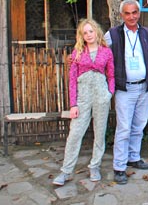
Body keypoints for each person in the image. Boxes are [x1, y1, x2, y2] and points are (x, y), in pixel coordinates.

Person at [53, 19, 115, 186]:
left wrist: (109, 93)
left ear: (97, 32)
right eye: (85, 32)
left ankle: (95, 166)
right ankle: (66, 171)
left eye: (91, 31)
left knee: (99, 132)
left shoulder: (106, 52)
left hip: (101, 95)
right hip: (83, 96)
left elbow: (111, 75)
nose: (88, 35)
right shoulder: (77, 53)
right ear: (81, 35)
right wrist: (73, 104)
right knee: (75, 134)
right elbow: (72, 80)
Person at [104, 0, 148, 185]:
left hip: (144, 87)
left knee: (139, 125)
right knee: (124, 128)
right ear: (121, 15)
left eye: (134, 12)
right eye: (127, 13)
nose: (132, 16)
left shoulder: (147, 34)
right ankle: (119, 167)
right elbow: (99, 51)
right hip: (124, 89)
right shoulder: (112, 34)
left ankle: (133, 157)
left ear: (139, 13)